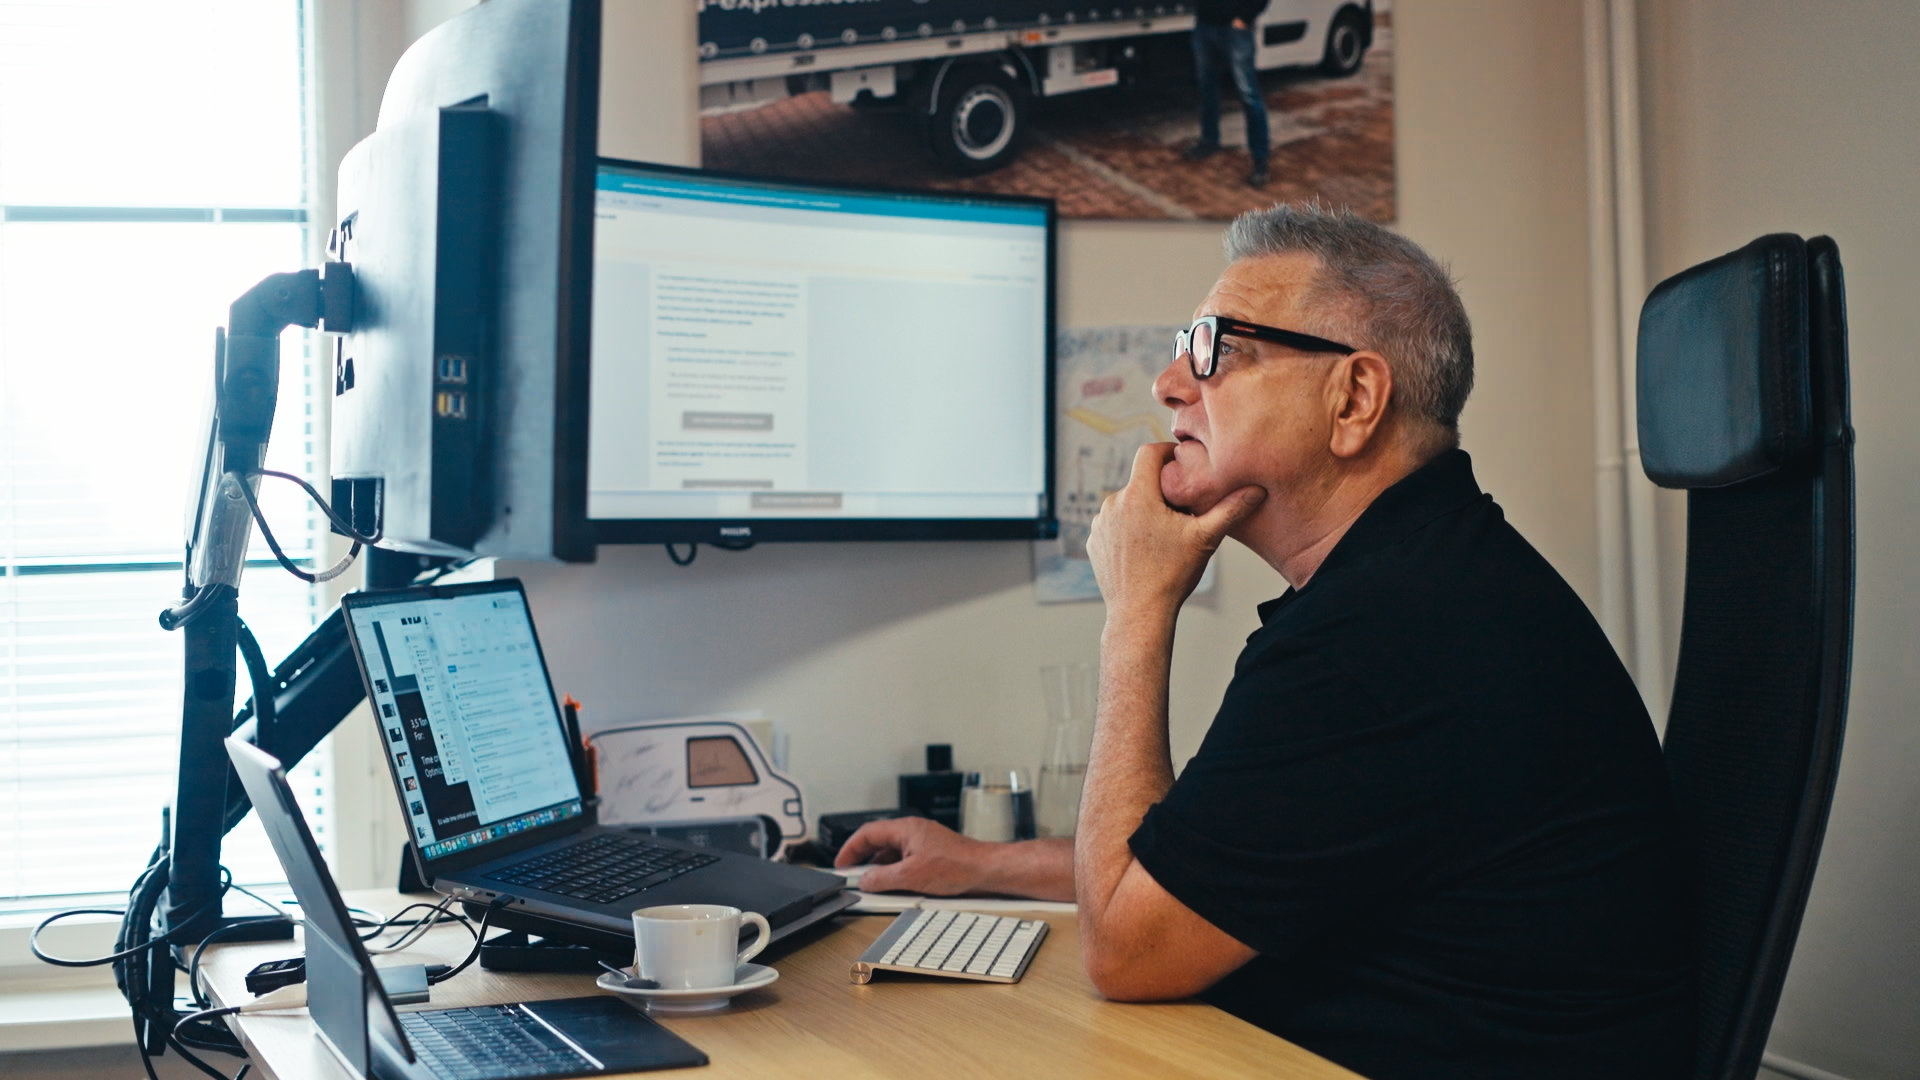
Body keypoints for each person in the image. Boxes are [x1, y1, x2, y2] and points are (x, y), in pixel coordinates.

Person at [837, 203, 1696, 1080]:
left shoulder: (1387, 633)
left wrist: (1136, 613)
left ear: (1353, 399)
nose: (1171, 382)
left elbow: (1128, 951)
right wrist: (982, 863)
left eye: (1219, 348)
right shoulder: (1422, 581)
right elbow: (1205, 867)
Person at [1185, 0, 1272, 188]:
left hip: (1235, 31)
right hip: (1205, 26)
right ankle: (1209, 141)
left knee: (1248, 95)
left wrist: (1245, 18)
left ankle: (1260, 160)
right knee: (1207, 88)